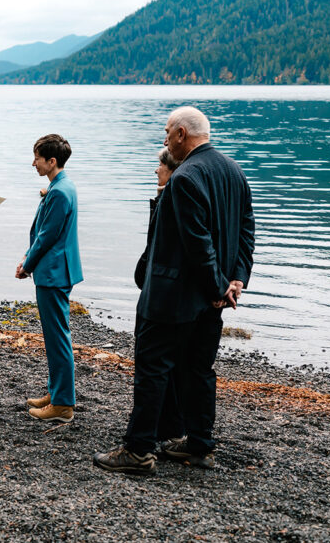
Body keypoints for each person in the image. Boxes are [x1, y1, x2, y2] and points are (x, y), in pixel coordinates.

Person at [94, 106, 255, 474]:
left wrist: (219, 284)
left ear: (182, 133)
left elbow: (197, 242)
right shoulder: (235, 170)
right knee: (198, 372)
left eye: (167, 133)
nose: (164, 140)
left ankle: (138, 451)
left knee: (152, 370)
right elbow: (246, 231)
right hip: (211, 301)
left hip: (172, 299)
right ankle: (199, 446)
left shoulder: (185, 177)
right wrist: (235, 281)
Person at [16, 134, 83, 423]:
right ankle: (56, 392)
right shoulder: (63, 185)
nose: (33, 163)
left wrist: (27, 264)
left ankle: (63, 404)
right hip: (57, 269)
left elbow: (47, 236)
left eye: (37, 158)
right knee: (55, 336)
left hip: (53, 272)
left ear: (51, 161)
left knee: (57, 339)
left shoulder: (58, 192)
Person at [132, 147, 185, 448]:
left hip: (162, 294)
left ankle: (148, 439)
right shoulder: (165, 197)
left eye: (160, 165)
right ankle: (170, 427)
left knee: (154, 363)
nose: (156, 170)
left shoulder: (172, 198)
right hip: (158, 288)